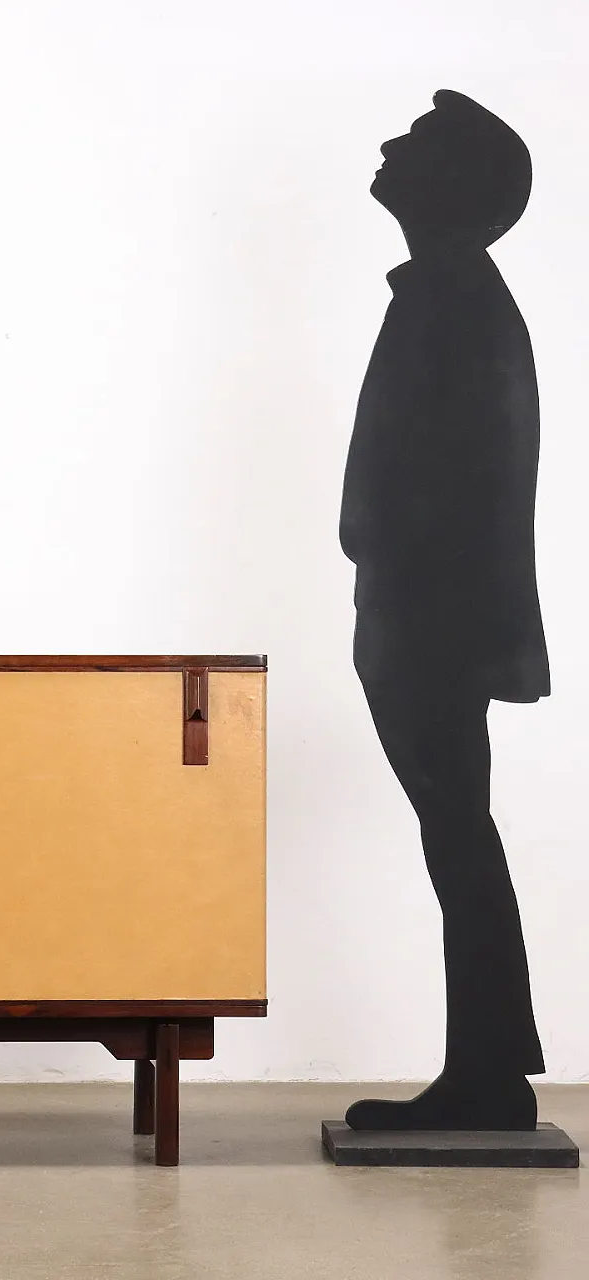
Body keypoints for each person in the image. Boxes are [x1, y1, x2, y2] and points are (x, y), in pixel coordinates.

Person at [339, 90, 549, 1130]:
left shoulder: (457, 300)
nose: (387, 146)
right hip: (420, 613)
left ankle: (487, 1072)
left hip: (431, 620)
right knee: (454, 832)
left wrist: (402, 579)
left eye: (415, 143)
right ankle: (488, 1065)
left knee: (456, 832)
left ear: (453, 186)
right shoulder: (446, 294)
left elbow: (469, 478)